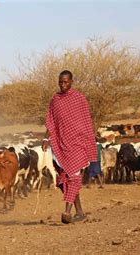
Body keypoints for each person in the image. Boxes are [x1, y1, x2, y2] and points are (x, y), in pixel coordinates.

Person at [43, 70, 97, 224]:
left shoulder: (79, 99)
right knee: (63, 179)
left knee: (73, 177)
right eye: (60, 82)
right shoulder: (55, 99)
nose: (63, 84)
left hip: (78, 143)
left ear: (72, 81)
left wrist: (88, 140)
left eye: (66, 82)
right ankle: (79, 211)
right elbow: (51, 121)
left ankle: (67, 212)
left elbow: (86, 121)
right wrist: (47, 138)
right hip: (60, 144)